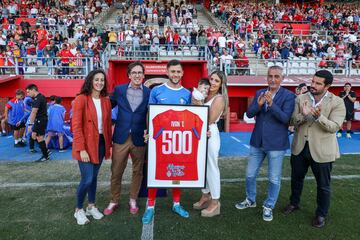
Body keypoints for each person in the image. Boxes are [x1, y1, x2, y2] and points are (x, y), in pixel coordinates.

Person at [283, 70, 346, 228]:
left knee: (323, 185)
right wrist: (303, 116)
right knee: (296, 179)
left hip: (322, 151)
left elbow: (334, 127)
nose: (313, 85)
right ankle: (294, 203)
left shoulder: (337, 102)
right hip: (299, 147)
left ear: (328, 86)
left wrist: (318, 117)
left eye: (318, 83)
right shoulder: (300, 98)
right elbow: (291, 121)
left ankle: (321, 214)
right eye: (313, 81)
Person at [235, 66, 295, 221]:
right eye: (270, 76)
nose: (273, 79)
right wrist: (260, 104)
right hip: (257, 141)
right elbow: (249, 114)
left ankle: (269, 206)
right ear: (267, 77)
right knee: (249, 174)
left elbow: (285, 119)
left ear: (282, 78)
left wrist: (272, 104)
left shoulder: (289, 96)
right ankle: (251, 200)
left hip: (276, 144)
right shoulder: (259, 93)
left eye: (276, 76)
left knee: (274, 178)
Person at [142, 59, 192, 224]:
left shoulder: (187, 93)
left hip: (177, 141)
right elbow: (151, 113)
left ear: (182, 73)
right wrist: (149, 131)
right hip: (159, 140)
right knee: (155, 171)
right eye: (173, 71)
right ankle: (150, 206)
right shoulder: (156, 91)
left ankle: (176, 204)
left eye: (178, 72)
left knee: (177, 172)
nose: (175, 74)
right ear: (167, 72)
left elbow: (190, 117)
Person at [103, 62, 150, 216]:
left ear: (143, 75)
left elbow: (154, 114)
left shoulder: (149, 92)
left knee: (138, 171)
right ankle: (114, 200)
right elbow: (106, 105)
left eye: (140, 73)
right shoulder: (119, 90)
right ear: (129, 75)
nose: (137, 75)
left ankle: (133, 199)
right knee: (116, 171)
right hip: (121, 137)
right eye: (134, 72)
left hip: (139, 137)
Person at [71, 69, 112, 225]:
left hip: (100, 143)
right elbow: (76, 126)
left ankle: (91, 206)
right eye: (97, 79)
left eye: (102, 80)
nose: (99, 82)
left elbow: (107, 125)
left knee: (94, 177)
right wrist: (81, 149)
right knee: (87, 178)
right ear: (90, 81)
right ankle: (78, 210)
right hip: (86, 145)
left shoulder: (105, 100)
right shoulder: (81, 99)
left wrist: (109, 145)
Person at [193, 71, 228, 217]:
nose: (212, 83)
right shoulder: (206, 94)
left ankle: (215, 201)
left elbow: (209, 119)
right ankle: (205, 196)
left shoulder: (219, 98)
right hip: (200, 132)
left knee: (212, 167)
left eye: (216, 81)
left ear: (221, 85)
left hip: (210, 132)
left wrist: (198, 102)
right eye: (211, 79)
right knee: (203, 167)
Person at [26, 84, 51, 162]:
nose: (28, 94)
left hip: (40, 120)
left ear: (33, 90)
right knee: (34, 136)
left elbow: (34, 112)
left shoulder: (37, 99)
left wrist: (30, 124)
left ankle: (45, 156)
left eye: (28, 92)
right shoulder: (42, 96)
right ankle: (46, 150)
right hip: (41, 120)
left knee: (39, 137)